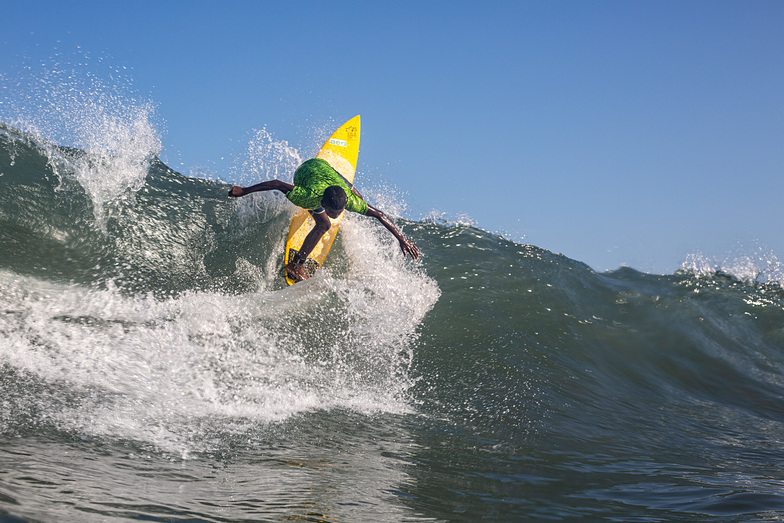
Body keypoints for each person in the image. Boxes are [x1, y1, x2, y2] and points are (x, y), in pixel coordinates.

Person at [229, 157, 419, 282]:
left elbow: (379, 214)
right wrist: (244, 191)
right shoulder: (307, 195)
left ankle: (349, 186)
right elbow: (277, 184)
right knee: (324, 224)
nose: (337, 215)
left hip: (325, 167)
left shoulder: (349, 201)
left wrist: (402, 238)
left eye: (340, 211)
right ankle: (296, 265)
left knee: (355, 195)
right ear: (323, 203)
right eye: (333, 211)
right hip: (305, 172)